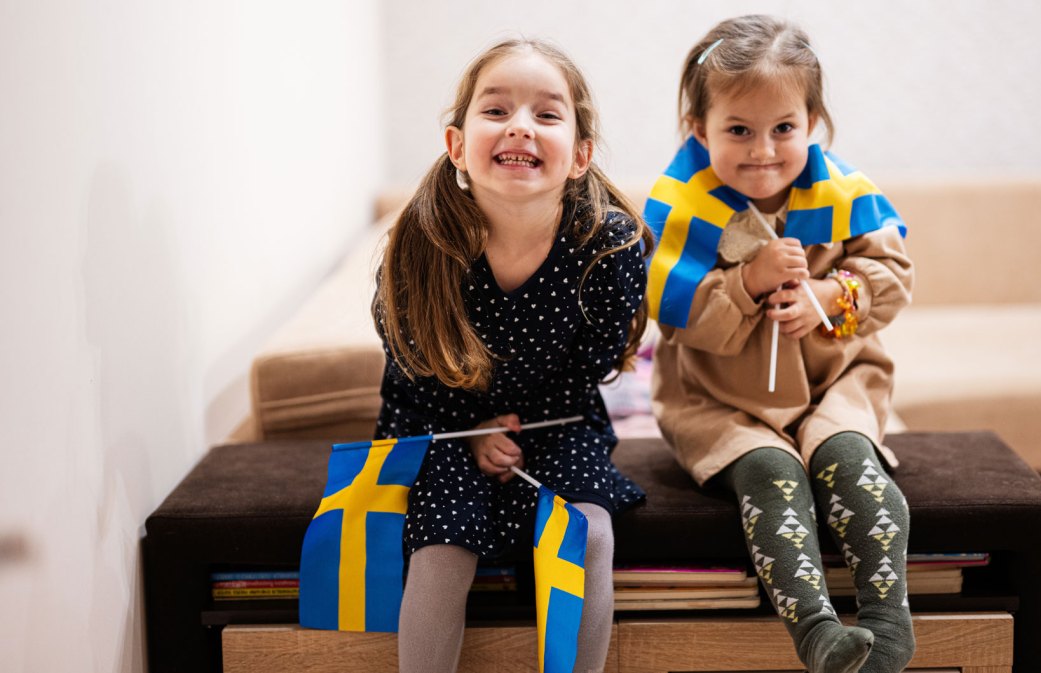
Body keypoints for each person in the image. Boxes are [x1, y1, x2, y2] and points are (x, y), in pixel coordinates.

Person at [373, 38, 652, 673]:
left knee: (589, 534)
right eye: (496, 111)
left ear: (580, 155)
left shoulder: (610, 247)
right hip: (440, 420)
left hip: (559, 419)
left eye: (547, 115)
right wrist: (472, 433)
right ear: (456, 145)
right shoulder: (422, 239)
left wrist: (522, 429)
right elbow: (411, 360)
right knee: (442, 548)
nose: (520, 125)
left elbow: (597, 359)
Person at [649, 15, 915, 673]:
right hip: (720, 398)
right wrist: (746, 282)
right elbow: (675, 315)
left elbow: (893, 278)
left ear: (813, 122)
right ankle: (818, 632)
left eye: (784, 129)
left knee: (851, 457)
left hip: (834, 380)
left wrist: (829, 296)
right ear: (698, 128)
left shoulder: (845, 195)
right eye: (738, 129)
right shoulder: (681, 208)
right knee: (771, 474)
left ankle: (887, 621)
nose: (762, 150)